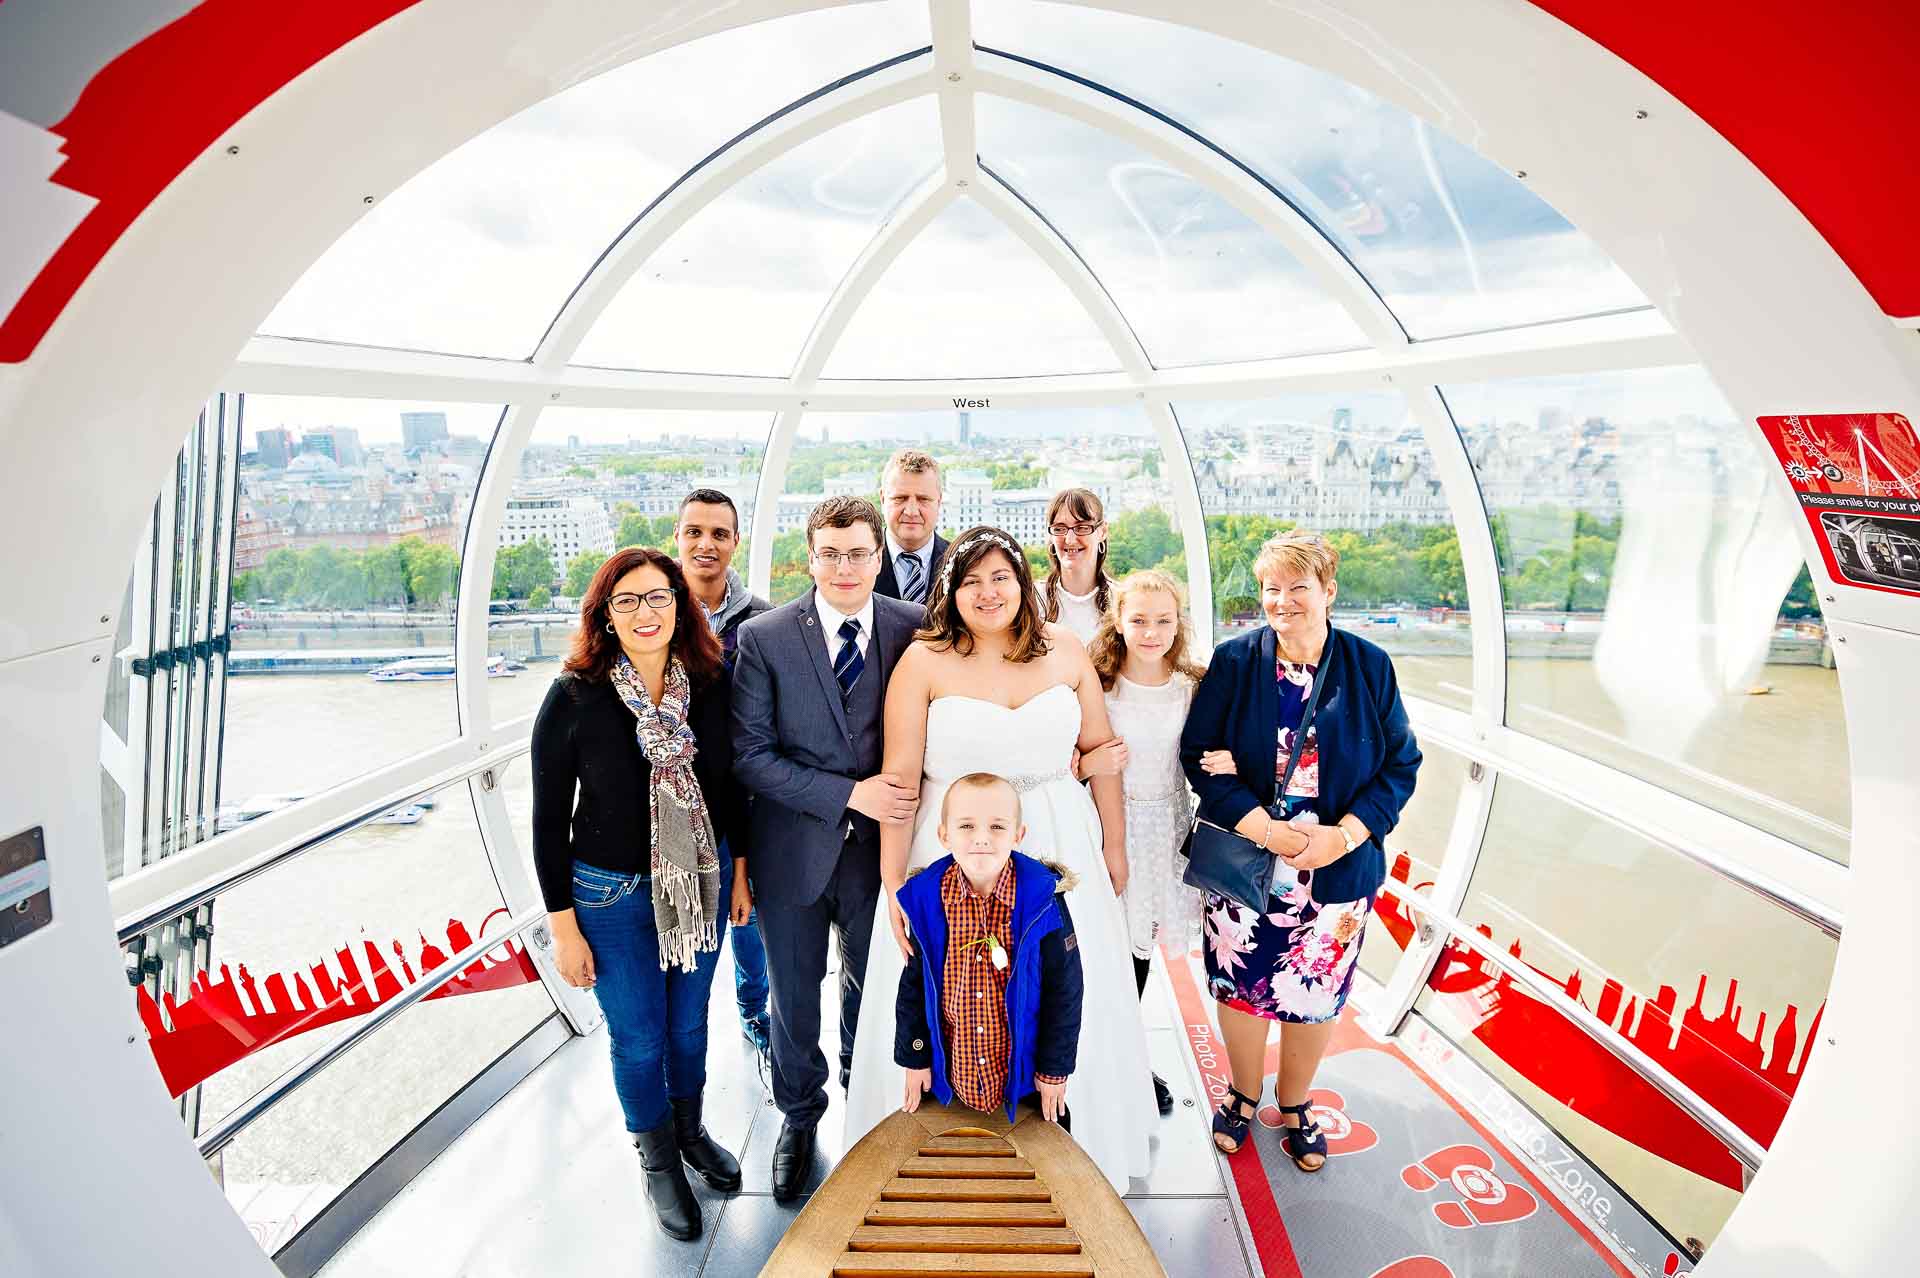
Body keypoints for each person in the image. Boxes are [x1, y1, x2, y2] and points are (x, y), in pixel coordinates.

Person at [844, 525, 1155, 1192]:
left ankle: (1067, 1142)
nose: (988, 592)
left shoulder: (1067, 652)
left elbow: (1101, 756)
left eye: (1001, 578)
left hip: (1061, 843)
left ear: (1023, 583)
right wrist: (894, 880)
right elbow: (900, 781)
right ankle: (946, 1155)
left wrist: (1114, 846)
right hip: (949, 845)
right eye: (971, 581)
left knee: (1065, 988)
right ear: (950, 593)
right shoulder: (923, 662)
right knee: (950, 991)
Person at [1180, 530, 1421, 1170]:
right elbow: (1199, 760)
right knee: (1240, 986)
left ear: (1329, 591)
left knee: (1315, 991)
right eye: (1271, 589)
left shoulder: (1369, 666)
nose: (1282, 602)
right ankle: (1240, 1092)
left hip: (1336, 867)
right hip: (1252, 860)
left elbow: (1401, 766)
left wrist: (1343, 835)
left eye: (1298, 588)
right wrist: (1267, 829)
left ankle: (1295, 1102)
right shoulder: (1236, 663)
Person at [531, 546, 746, 1241]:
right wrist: (563, 929)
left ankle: (690, 1132)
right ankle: (657, 1164)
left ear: (680, 606)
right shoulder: (573, 697)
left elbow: (728, 791)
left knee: (688, 1026)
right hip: (609, 898)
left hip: (698, 890)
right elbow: (544, 820)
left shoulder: (710, 686)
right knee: (639, 1036)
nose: (644, 613)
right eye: (627, 601)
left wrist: (740, 875)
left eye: (658, 597)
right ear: (605, 615)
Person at [730, 496, 924, 1202]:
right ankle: (799, 1117)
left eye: (859, 553)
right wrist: (848, 794)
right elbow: (750, 756)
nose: (845, 567)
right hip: (792, 850)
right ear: (809, 558)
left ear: (880, 556)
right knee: (793, 998)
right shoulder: (766, 637)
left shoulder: (915, 627)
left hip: (884, 856)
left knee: (874, 990)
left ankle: (864, 1104)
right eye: (831, 553)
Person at [1081, 569, 1207, 1118]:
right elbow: (1065, 756)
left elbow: (1212, 751)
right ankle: (1094, 1058)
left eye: (1162, 620)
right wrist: (1089, 762)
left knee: (1142, 950)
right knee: (1102, 949)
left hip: (1168, 831)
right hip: (1112, 826)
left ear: (1177, 624)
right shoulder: (1098, 685)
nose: (1151, 632)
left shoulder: (1192, 688)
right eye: (1138, 620)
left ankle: (1128, 1059)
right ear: (1119, 623)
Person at [897, 773, 1083, 1129]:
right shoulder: (926, 901)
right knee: (952, 1171)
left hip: (1028, 1083)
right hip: (949, 1077)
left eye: (997, 827)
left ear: (1018, 835)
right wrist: (916, 1055)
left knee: (1040, 1170)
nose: (981, 838)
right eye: (966, 825)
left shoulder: (1044, 903)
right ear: (943, 834)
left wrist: (1054, 1069)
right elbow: (913, 987)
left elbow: (1066, 990)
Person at [674, 488, 773, 1071]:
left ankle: (754, 1013)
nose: (705, 545)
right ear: (679, 539)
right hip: (676, 805)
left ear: (736, 542)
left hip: (745, 799)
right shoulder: (655, 610)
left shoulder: (762, 619)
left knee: (750, 921)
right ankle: (686, 1042)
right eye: (694, 533)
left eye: (718, 534)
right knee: (685, 935)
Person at [874, 448, 949, 607]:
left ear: (939, 501)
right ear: (882, 499)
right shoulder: (855, 563)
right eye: (900, 498)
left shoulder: (962, 563)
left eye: (923, 499)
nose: (911, 511)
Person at [1039, 487, 1113, 644]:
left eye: (1082, 528)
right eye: (1059, 528)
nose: (1070, 539)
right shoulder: (1033, 600)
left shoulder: (1122, 600)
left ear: (1102, 531)